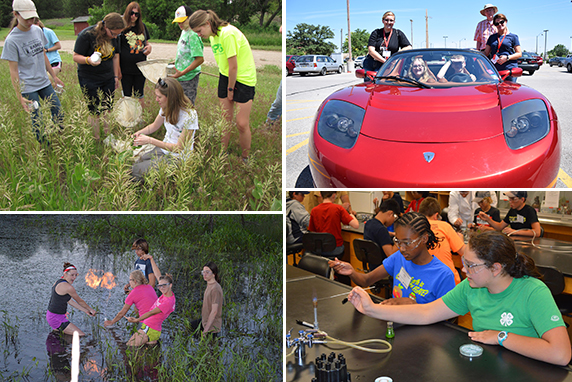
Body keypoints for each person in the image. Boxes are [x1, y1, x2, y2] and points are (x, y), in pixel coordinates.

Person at [347, 231, 571, 366]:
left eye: (471, 266)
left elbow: (561, 354)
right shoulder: (471, 287)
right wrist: (372, 308)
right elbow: (427, 312)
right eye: (464, 262)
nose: (463, 270)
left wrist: (501, 336)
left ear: (495, 268)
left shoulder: (533, 291)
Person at [330, 212, 456, 305]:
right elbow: (366, 280)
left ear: (424, 238)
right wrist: (351, 272)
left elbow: (447, 318)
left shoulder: (443, 275)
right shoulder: (399, 258)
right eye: (398, 242)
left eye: (407, 243)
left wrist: (414, 306)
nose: (401, 248)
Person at [189, 10, 256, 163]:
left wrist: (230, 90)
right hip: (225, 76)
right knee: (224, 119)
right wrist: (226, 85)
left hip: (243, 78)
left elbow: (234, 67)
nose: (199, 35)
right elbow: (225, 66)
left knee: (241, 123)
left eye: (199, 31)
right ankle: (222, 153)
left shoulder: (227, 33)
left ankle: (245, 158)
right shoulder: (213, 36)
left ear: (207, 23)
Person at [1, 0, 64, 144]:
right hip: (28, 87)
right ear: (16, 14)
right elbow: (13, 71)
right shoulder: (12, 40)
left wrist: (53, 77)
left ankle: (58, 140)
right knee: (37, 119)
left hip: (44, 82)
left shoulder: (37, 30)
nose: (31, 21)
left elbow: (42, 55)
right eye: (27, 17)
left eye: (33, 18)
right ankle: (45, 147)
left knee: (58, 112)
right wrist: (19, 96)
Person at [131, 77, 199, 180]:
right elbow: (154, 125)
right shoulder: (166, 107)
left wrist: (150, 140)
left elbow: (179, 148)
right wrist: (139, 133)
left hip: (178, 158)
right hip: (164, 150)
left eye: (159, 97)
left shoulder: (189, 115)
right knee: (138, 162)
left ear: (171, 97)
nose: (156, 100)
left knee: (135, 171)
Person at [73, 12, 125, 139]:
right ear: (106, 27)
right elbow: (75, 56)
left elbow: (115, 56)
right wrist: (88, 60)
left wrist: (115, 76)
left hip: (107, 77)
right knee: (94, 111)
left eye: (118, 34)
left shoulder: (115, 37)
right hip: (89, 78)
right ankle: (96, 139)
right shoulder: (86, 36)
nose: (115, 37)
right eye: (113, 33)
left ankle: (108, 137)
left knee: (108, 108)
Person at [126, 256, 175, 346]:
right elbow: (157, 274)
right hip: (154, 328)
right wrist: (151, 259)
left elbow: (150, 313)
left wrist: (136, 320)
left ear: (170, 285)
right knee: (148, 354)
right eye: (160, 286)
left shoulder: (167, 302)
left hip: (149, 328)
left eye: (164, 285)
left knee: (130, 347)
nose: (161, 288)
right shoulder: (168, 294)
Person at [419, 197, 465, 284]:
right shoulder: (445, 226)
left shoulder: (414, 228)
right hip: (448, 280)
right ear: (436, 215)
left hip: (422, 280)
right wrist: (460, 241)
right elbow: (465, 252)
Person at [46, 262, 97, 336]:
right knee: (81, 335)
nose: (74, 277)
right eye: (72, 275)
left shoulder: (58, 282)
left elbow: (69, 301)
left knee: (61, 337)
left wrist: (86, 311)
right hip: (56, 318)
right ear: (65, 274)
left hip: (52, 315)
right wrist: (91, 309)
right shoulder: (68, 287)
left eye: (76, 275)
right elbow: (80, 301)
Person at [119, 2, 152, 110]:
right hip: (125, 69)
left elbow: (146, 43)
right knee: (126, 96)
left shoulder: (142, 27)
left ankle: (140, 119)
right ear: (127, 13)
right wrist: (118, 70)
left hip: (140, 68)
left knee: (140, 95)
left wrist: (149, 47)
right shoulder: (121, 28)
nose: (133, 16)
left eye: (136, 14)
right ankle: (128, 119)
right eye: (131, 13)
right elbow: (117, 52)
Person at [308, 191, 359, 258]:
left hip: (320, 249)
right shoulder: (338, 208)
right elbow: (356, 225)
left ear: (320, 195)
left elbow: (313, 231)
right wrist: (351, 215)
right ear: (334, 196)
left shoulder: (314, 210)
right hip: (335, 249)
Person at [171, 5, 204, 105]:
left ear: (190, 18)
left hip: (189, 77)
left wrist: (183, 72)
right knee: (177, 104)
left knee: (187, 105)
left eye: (182, 21)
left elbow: (199, 59)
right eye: (178, 22)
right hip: (180, 76)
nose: (180, 24)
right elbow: (185, 53)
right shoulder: (184, 31)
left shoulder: (193, 34)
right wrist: (176, 61)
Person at [484, 13, 522, 82]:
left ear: (506, 22)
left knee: (510, 91)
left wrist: (507, 58)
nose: (499, 25)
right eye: (497, 24)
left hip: (509, 70)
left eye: (501, 22)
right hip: (495, 71)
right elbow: (486, 52)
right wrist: (475, 52)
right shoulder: (492, 37)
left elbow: (519, 53)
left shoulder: (513, 37)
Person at [190, 262, 224, 338]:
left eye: (207, 272)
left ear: (214, 274)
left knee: (209, 347)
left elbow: (214, 311)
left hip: (212, 327)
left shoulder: (215, 289)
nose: (204, 274)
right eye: (203, 272)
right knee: (190, 326)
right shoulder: (209, 284)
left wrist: (206, 330)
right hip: (204, 321)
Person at [363, 199, 400, 266]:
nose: (393, 221)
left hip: (372, 266)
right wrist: (400, 238)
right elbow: (391, 254)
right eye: (395, 218)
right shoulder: (381, 229)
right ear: (391, 213)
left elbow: (378, 235)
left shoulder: (369, 223)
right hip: (382, 269)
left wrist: (392, 234)